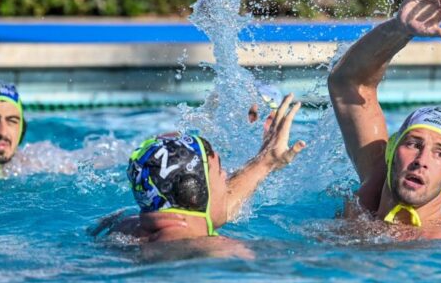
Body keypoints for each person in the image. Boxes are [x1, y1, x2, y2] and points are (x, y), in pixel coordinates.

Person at [327, 0, 441, 240]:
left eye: (440, 153)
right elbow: (348, 83)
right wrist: (399, 30)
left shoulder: (434, 245)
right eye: (414, 144)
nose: (421, 160)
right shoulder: (375, 182)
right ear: (390, 151)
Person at [92, 93, 305, 259]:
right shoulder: (223, 251)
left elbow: (204, 209)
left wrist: (266, 161)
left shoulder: (119, 224)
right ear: (194, 193)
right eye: (220, 172)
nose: (227, 177)